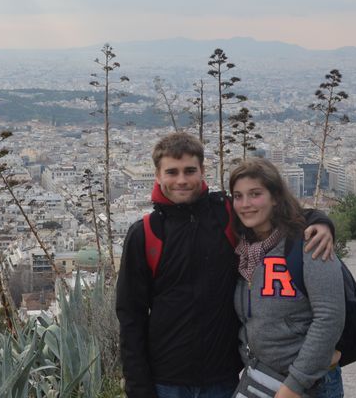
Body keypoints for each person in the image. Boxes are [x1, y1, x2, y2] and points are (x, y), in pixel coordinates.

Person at [116, 132, 336, 398]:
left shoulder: (226, 213)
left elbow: (275, 211)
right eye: (172, 172)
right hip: (166, 380)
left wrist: (321, 221)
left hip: (223, 377)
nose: (182, 180)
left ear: (202, 171)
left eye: (189, 171)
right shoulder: (145, 234)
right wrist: (138, 387)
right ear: (158, 175)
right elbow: (131, 315)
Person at [230, 158, 345, 398]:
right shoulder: (243, 252)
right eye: (238, 196)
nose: (245, 204)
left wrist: (295, 384)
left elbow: (329, 317)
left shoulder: (309, 243)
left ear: (275, 197)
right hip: (260, 377)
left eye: (255, 194)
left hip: (307, 386)